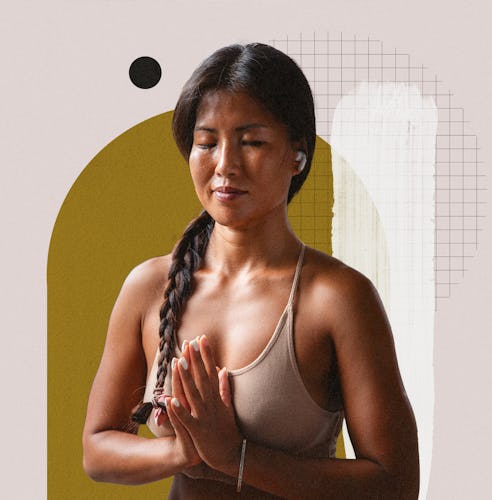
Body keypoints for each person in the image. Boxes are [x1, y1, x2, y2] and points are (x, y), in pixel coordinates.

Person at [82, 42, 419, 499]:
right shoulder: (149, 287)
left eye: (252, 142)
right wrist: (185, 454)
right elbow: (97, 450)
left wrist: (236, 455)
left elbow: (395, 484)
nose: (225, 165)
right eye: (207, 143)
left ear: (296, 154)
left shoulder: (337, 298)